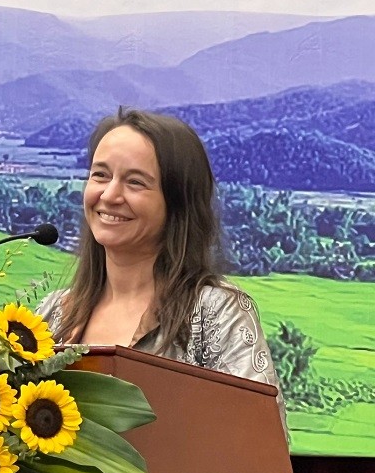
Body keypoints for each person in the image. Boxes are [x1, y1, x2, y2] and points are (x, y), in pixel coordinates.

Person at [38, 109, 288, 432]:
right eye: (100, 175)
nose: (110, 195)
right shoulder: (53, 314)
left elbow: (260, 441)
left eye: (135, 182)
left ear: (177, 203)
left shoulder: (216, 313)